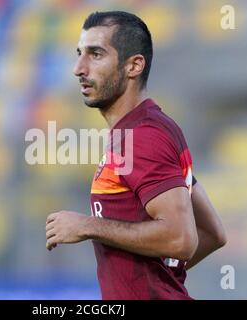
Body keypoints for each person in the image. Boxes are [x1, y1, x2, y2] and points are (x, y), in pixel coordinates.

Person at [45, 11, 226, 300]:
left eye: (96, 54)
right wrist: (154, 277)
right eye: (80, 53)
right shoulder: (144, 129)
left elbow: (181, 239)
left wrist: (87, 226)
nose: (79, 68)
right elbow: (213, 232)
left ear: (133, 66)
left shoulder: (144, 136)